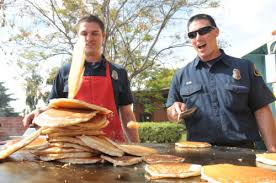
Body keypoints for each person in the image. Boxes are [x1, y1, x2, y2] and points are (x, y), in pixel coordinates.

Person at [166, 13, 276, 152]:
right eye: (192, 35)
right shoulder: (181, 75)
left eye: (204, 31)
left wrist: (273, 151)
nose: (198, 38)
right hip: (198, 155)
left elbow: (261, 110)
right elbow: (171, 114)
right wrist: (174, 110)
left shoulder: (245, 67)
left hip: (243, 153)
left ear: (216, 31)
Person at [23, 15, 139, 143]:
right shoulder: (65, 71)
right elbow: (54, 108)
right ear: (78, 37)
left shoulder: (118, 72)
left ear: (103, 37)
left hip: (113, 145)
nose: (89, 38)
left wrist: (137, 146)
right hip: (74, 146)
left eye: (95, 33)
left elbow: (127, 113)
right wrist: (39, 112)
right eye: (84, 33)